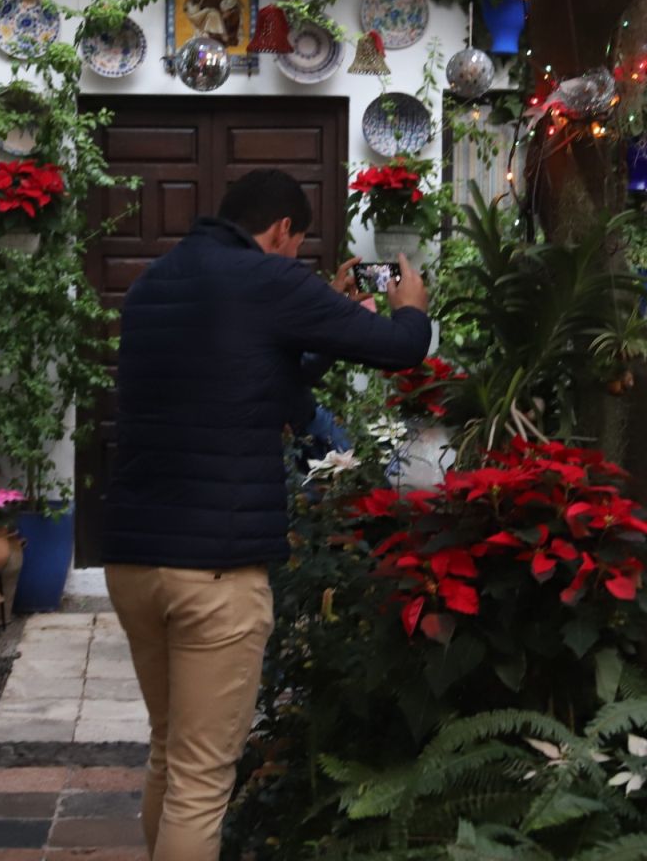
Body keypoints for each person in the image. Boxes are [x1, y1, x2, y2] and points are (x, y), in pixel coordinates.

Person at [103, 168, 431, 861]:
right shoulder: (270, 280)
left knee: (169, 751)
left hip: (134, 559)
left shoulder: (153, 284)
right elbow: (402, 350)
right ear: (282, 230)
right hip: (215, 571)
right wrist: (410, 306)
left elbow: (271, 387)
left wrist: (317, 318)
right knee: (201, 780)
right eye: (296, 246)